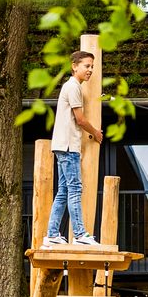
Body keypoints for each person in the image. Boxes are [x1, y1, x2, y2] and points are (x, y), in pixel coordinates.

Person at [42, 50, 105, 248]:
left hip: (62, 145)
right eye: (87, 66)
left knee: (63, 191)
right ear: (74, 66)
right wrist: (95, 132)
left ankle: (52, 234)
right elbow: (80, 119)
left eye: (92, 66)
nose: (90, 70)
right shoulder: (73, 87)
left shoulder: (70, 86)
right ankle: (79, 234)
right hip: (68, 146)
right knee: (75, 188)